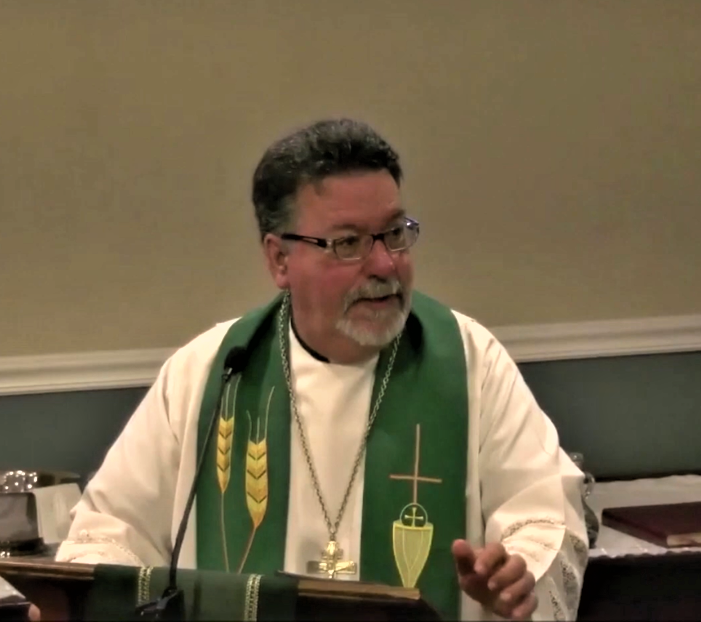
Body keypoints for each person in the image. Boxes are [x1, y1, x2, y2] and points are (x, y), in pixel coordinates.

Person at [53, 119, 589, 621]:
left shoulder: (468, 361)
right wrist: (77, 599)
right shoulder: (210, 372)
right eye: (348, 243)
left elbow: (543, 513)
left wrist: (518, 573)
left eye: (394, 233)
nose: (385, 264)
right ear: (279, 260)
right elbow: (111, 532)